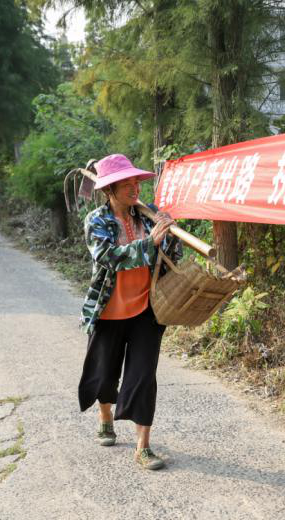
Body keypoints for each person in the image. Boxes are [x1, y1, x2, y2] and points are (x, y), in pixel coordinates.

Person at [77, 153, 182, 470]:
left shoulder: (146, 217)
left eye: (136, 181)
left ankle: (143, 447)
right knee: (106, 376)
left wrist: (169, 234)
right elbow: (110, 257)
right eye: (127, 183)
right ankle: (105, 415)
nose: (135, 187)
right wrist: (150, 242)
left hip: (146, 310)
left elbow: (167, 256)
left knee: (142, 377)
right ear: (110, 189)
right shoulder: (96, 220)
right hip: (109, 310)